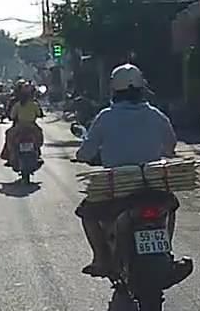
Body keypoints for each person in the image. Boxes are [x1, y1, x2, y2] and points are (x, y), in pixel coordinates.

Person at [74, 64, 185, 278]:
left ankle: (101, 259)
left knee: (87, 214)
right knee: (170, 206)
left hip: (118, 189)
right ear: (142, 88)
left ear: (114, 90)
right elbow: (171, 146)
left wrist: (83, 155)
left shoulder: (105, 117)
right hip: (151, 186)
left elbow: (86, 152)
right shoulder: (156, 115)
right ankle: (167, 252)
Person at [1, 82, 43, 166]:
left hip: (19, 126)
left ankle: (12, 155)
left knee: (9, 135)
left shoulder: (17, 104)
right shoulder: (33, 104)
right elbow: (39, 113)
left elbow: (12, 115)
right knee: (39, 135)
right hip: (31, 126)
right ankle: (37, 152)